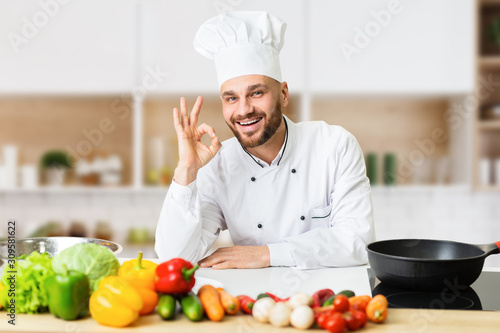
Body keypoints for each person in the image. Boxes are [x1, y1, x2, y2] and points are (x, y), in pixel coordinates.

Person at [155, 11, 374, 269]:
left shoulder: (334, 145)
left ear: (283, 94)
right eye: (231, 98)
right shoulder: (218, 165)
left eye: (256, 92)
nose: (244, 110)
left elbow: (358, 241)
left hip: (324, 301)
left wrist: (265, 254)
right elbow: (174, 259)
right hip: (252, 303)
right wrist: (186, 171)